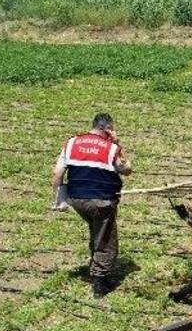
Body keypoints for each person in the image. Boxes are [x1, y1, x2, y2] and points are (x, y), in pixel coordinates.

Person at [51, 113, 132, 298]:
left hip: (77, 200)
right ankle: (100, 282)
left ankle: (94, 266)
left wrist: (59, 200)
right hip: (101, 201)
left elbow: (57, 174)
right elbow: (126, 169)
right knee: (106, 241)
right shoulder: (111, 148)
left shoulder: (72, 142)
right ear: (108, 128)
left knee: (96, 231)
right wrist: (118, 144)